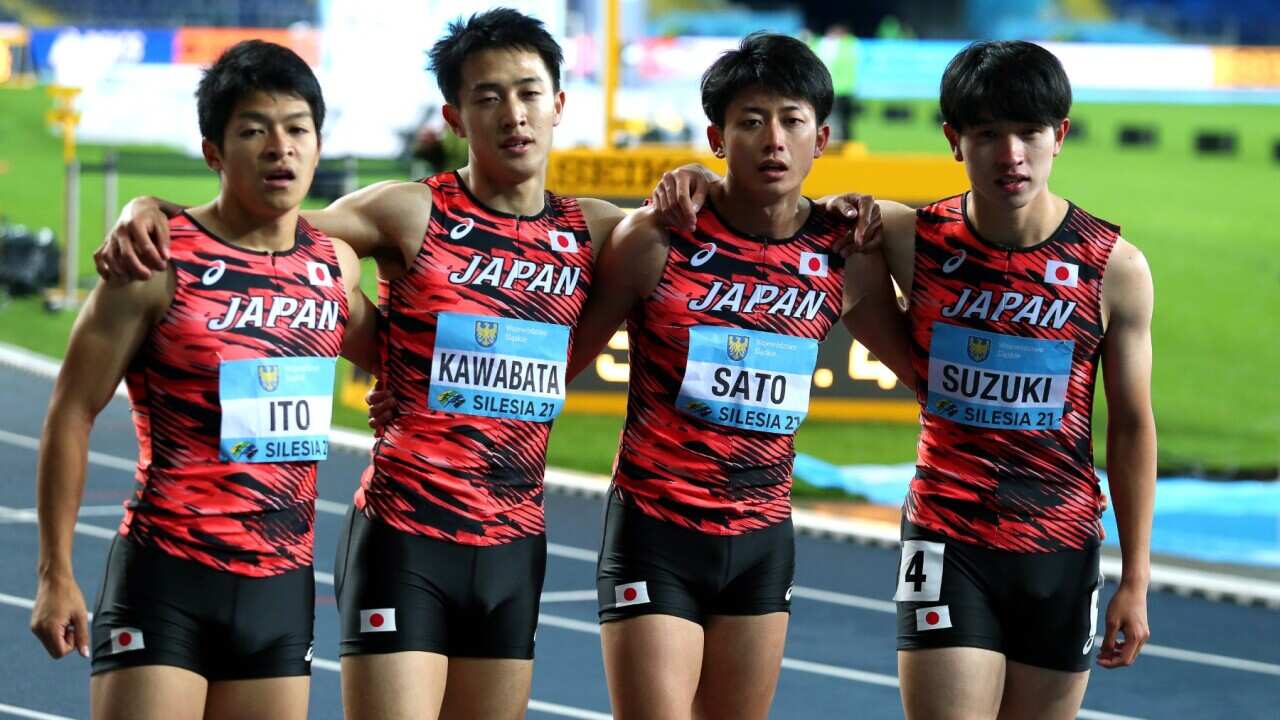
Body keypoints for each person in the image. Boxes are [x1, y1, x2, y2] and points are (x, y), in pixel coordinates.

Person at [94, 9, 622, 719]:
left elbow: (721, 221)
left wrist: (718, 187)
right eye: (488, 97)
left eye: (529, 93)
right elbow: (259, 233)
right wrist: (146, 206)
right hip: (408, 535)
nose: (513, 115)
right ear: (455, 116)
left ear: (559, 104)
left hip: (515, 541)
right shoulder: (408, 212)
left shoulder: (593, 229)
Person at [654, 40, 1156, 720]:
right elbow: (780, 210)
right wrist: (695, 177)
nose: (1011, 156)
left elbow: (1131, 428)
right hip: (948, 536)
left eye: (1029, 133)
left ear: (1059, 136)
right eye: (987, 135)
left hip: (1061, 547)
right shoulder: (906, 234)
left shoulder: (1114, 268)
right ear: (955, 141)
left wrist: (1137, 576)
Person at [29, 40, 377, 720]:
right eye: (254, 130)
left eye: (297, 129)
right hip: (169, 577)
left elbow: (403, 355)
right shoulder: (156, 263)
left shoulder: (334, 265)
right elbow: (71, 409)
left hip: (281, 587)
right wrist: (55, 573)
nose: (280, 147)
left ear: (317, 142)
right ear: (214, 151)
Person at [564, 33, 905, 720]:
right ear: (718, 137)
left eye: (791, 119)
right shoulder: (656, 237)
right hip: (656, 531)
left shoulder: (844, 253)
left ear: (823, 137)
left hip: (761, 542)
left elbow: (928, 371)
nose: (772, 139)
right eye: (750, 121)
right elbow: (558, 362)